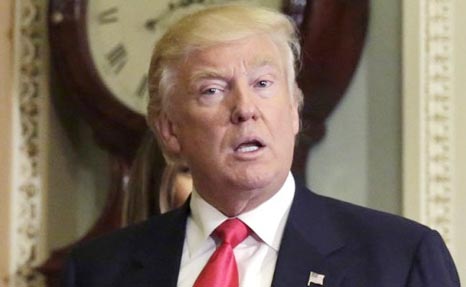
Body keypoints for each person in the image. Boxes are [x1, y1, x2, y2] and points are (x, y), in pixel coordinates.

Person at [62, 4, 460, 287]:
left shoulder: (399, 259)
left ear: (293, 111)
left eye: (263, 84)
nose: (245, 109)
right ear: (170, 130)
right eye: (213, 90)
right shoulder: (99, 272)